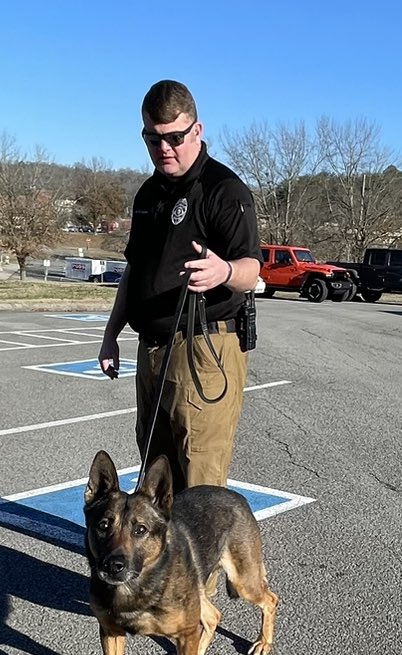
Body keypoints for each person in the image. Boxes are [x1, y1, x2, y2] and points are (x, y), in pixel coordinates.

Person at [97, 80, 261, 493]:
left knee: (199, 479)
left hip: (204, 348)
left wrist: (223, 271)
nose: (164, 149)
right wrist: (110, 335)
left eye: (175, 137)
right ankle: (164, 560)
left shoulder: (225, 191)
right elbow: (134, 271)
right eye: (153, 139)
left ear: (197, 131)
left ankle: (202, 560)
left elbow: (251, 269)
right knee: (155, 478)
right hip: (152, 348)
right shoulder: (148, 193)